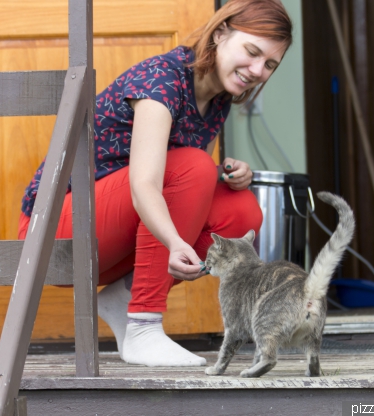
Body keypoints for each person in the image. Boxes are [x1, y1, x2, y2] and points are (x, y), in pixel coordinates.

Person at [18, 0, 293, 367]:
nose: (257, 70)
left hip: (106, 240)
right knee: (195, 166)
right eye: (252, 52)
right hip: (54, 233)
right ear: (221, 32)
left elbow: (190, 184)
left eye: (270, 65)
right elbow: (147, 183)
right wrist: (175, 241)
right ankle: (143, 326)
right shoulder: (161, 79)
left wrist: (229, 173)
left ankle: (124, 297)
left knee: (239, 210)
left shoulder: (217, 99)